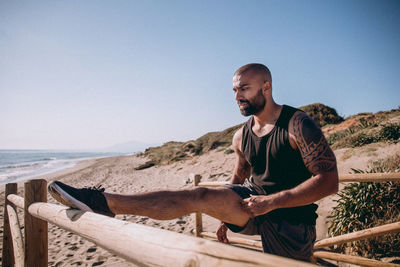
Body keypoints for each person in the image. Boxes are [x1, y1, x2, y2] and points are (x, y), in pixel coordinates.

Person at [49, 63, 338, 262]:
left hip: (291, 220)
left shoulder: (297, 124)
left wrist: (274, 201)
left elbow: (329, 180)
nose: (237, 96)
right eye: (235, 90)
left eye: (244, 89)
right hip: (250, 206)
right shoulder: (240, 136)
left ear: (266, 86)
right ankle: (102, 201)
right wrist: (225, 214)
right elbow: (239, 175)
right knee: (198, 194)